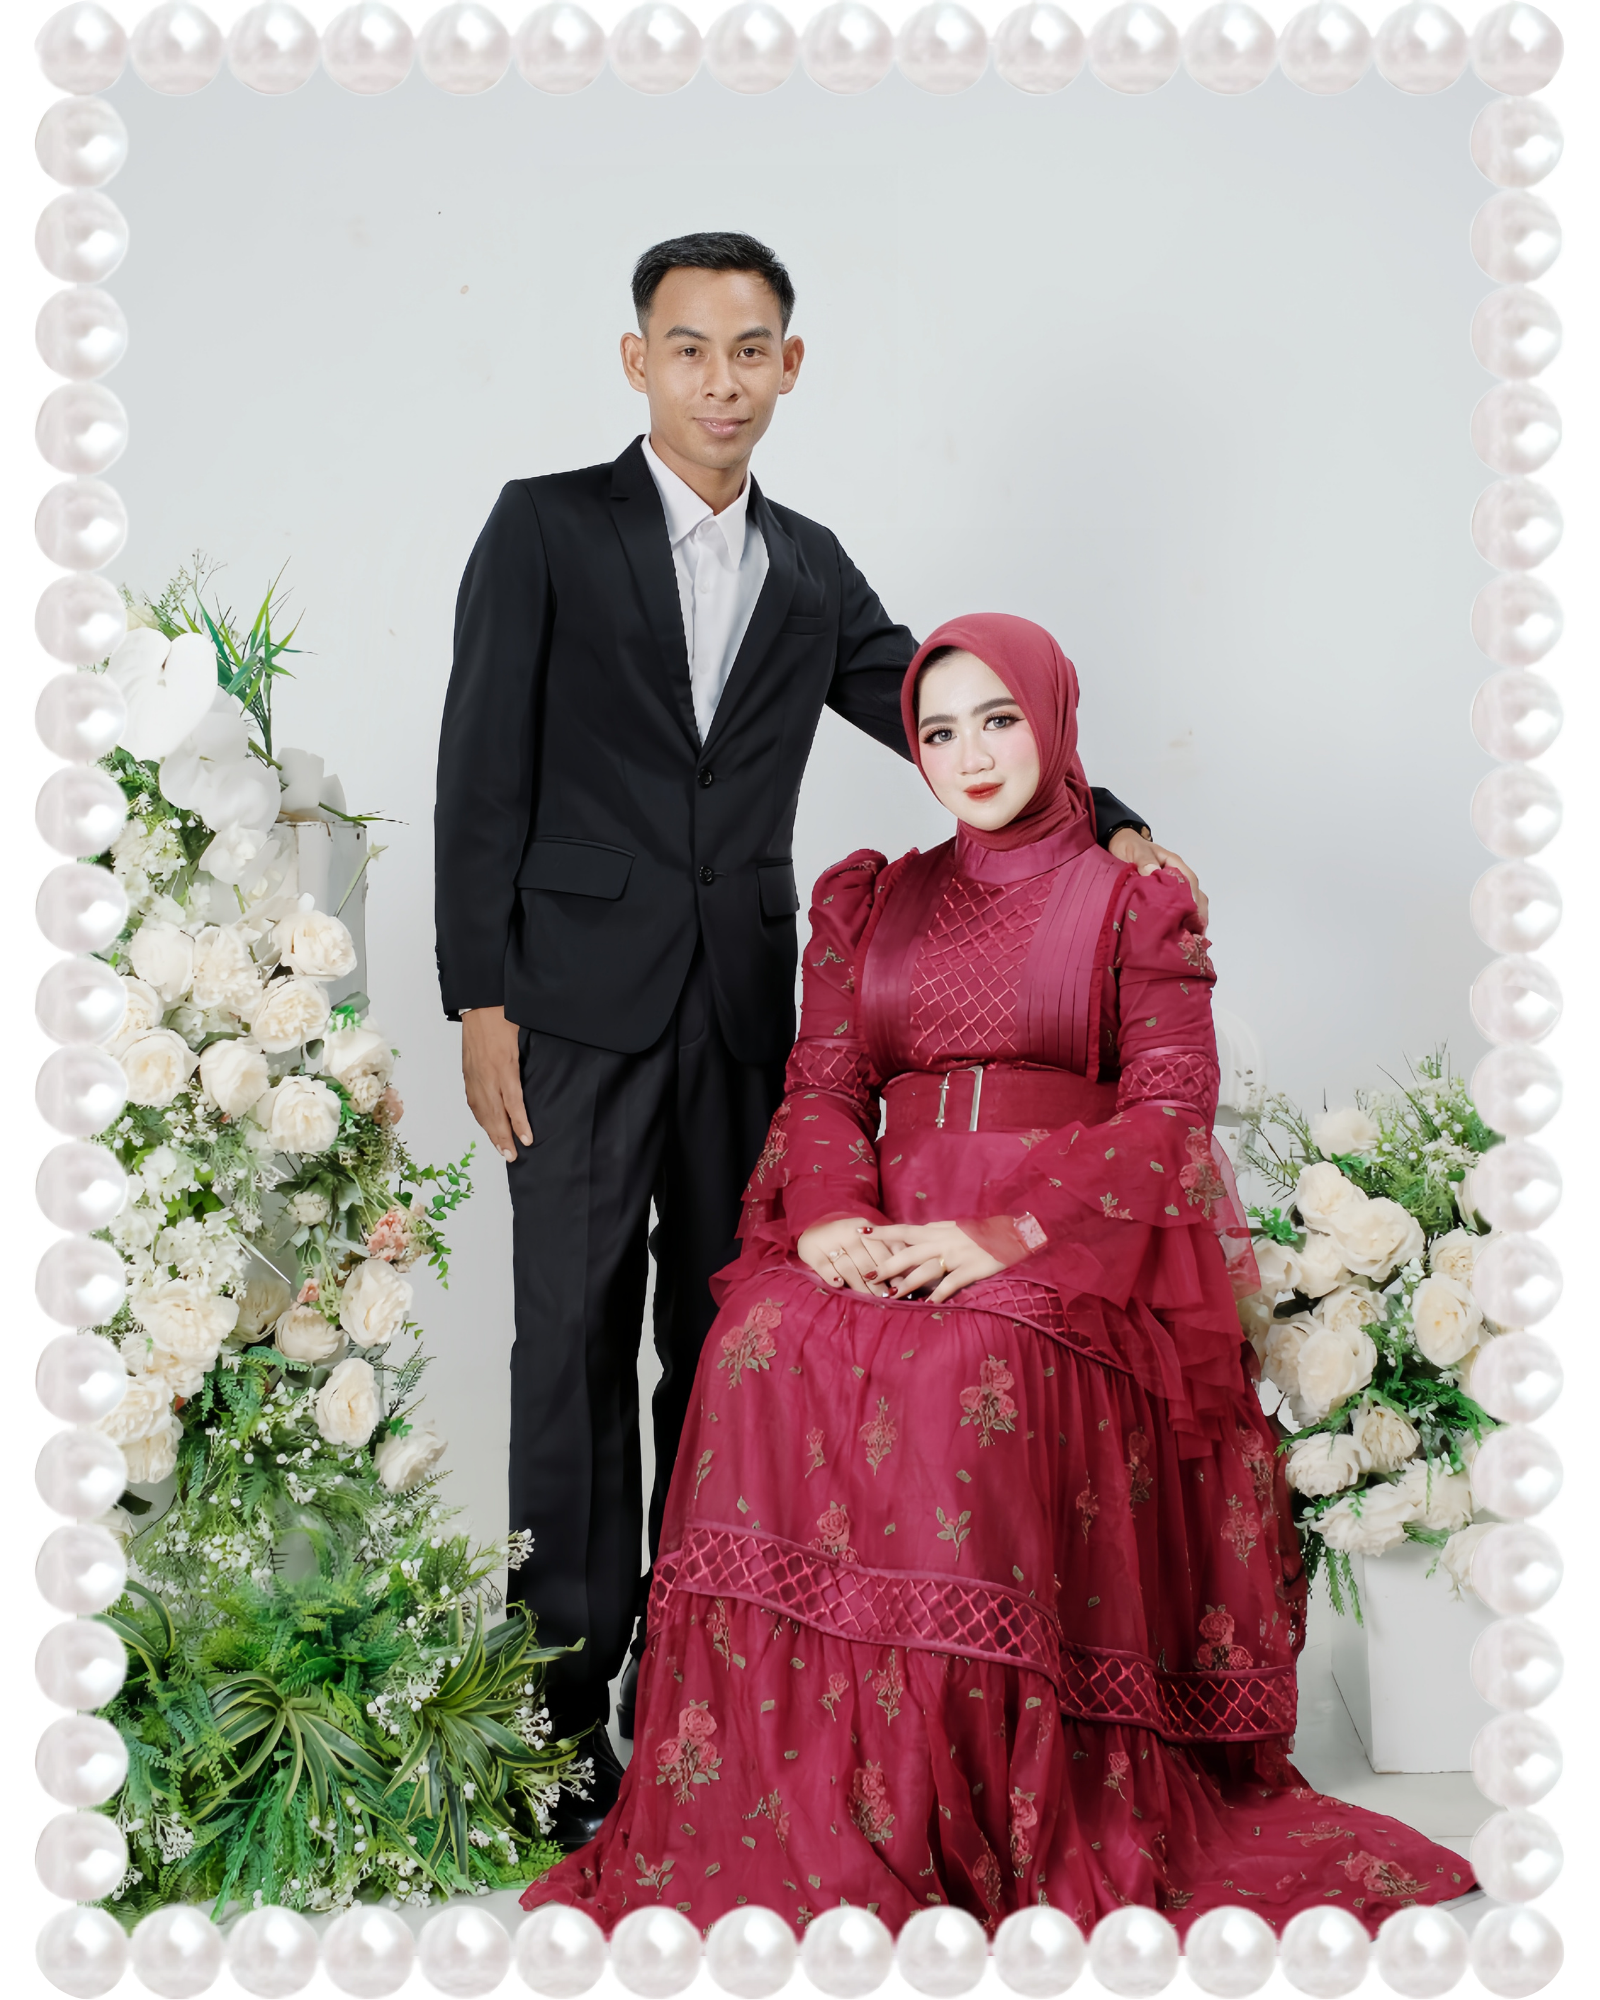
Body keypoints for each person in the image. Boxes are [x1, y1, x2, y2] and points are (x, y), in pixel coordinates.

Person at [521, 615, 1472, 1935]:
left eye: (999, 720)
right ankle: (786, 1794)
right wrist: (831, 1216)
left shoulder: (1135, 900)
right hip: (884, 1221)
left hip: (1066, 1247)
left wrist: (1001, 1238)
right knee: (755, 1342)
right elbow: (823, 1085)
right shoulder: (872, 901)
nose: (970, 755)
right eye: (938, 731)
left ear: (1054, 718)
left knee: (970, 1361)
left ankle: (955, 1802)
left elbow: (1168, 1116)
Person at [434, 234, 1200, 1843]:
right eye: (689, 348)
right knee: (566, 1347)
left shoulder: (811, 563)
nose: (721, 380)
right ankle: (553, 1717)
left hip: (739, 1010)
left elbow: (934, 699)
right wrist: (476, 998)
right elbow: (480, 761)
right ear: (637, 361)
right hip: (570, 1011)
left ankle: (683, 1695)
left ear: (792, 367)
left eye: (751, 350)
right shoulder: (544, 526)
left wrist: (1111, 815)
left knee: (721, 1355)